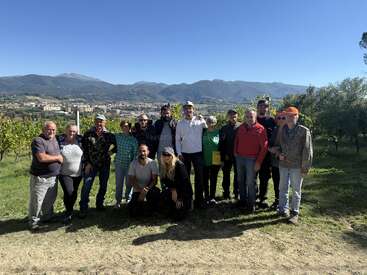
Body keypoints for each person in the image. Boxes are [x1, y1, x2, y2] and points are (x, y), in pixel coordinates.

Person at [277, 107, 313, 224]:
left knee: (296, 190)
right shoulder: (282, 129)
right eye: (288, 115)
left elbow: (307, 151)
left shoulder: (304, 131)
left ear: (297, 116)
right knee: (282, 188)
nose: (290, 118)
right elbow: (279, 145)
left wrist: (305, 167)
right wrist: (279, 154)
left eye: (293, 115)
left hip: (297, 166)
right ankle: (283, 209)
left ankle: (294, 213)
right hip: (283, 164)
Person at [79, 114, 116, 218]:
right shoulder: (88, 134)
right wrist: (87, 163)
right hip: (91, 164)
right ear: (94, 122)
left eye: (101, 121)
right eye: (97, 121)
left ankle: (99, 204)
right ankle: (83, 208)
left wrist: (111, 152)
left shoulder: (109, 135)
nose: (99, 123)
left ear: (105, 122)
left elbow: (117, 145)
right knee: (86, 185)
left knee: (103, 185)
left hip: (104, 164)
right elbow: (84, 150)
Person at [28, 121, 63, 230]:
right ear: (43, 129)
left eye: (53, 129)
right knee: (37, 200)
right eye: (49, 129)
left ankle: (48, 217)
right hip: (41, 177)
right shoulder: (38, 141)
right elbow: (41, 158)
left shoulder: (55, 139)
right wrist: (57, 158)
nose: (51, 131)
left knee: (49, 199)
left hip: (53, 176)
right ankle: (34, 221)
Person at [234, 108, 268, 212]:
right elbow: (237, 140)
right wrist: (235, 152)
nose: (249, 119)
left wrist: (258, 162)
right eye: (247, 117)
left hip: (252, 159)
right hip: (240, 158)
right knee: (240, 180)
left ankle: (251, 204)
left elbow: (264, 147)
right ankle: (242, 201)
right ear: (245, 117)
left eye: (251, 117)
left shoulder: (260, 129)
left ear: (255, 117)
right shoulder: (241, 128)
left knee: (250, 182)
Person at [175, 101, 207, 209]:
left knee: (199, 178)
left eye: (190, 108)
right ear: (183, 110)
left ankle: (199, 200)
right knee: (185, 178)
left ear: (193, 109)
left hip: (198, 153)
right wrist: (179, 153)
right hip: (185, 154)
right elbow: (177, 140)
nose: (188, 110)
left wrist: (203, 120)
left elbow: (208, 129)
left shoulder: (199, 121)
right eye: (186, 108)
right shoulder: (180, 123)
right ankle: (188, 199)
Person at [57, 124, 83, 224]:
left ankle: (70, 210)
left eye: (74, 131)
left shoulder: (80, 141)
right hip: (64, 173)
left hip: (78, 173)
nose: (72, 133)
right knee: (69, 192)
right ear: (66, 131)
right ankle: (68, 212)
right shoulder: (59, 141)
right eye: (70, 131)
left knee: (74, 192)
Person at [160, 147, 193, 220]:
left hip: (184, 193)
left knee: (178, 217)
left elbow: (185, 184)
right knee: (168, 212)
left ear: (172, 155)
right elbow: (164, 180)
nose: (166, 157)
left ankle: (188, 205)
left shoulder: (179, 165)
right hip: (174, 191)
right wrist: (173, 190)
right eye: (164, 155)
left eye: (168, 155)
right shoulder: (164, 165)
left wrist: (180, 198)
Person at [127, 144, 160, 217]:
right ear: (137, 152)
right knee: (133, 213)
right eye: (140, 151)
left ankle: (153, 209)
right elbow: (131, 179)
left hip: (149, 188)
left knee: (156, 192)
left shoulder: (152, 163)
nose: (142, 153)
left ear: (148, 152)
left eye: (144, 151)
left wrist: (146, 190)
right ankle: (140, 207)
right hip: (137, 189)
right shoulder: (133, 163)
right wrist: (140, 190)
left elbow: (155, 180)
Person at [256, 99, 276, 208]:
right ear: (257, 107)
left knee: (264, 177)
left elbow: (274, 136)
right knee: (252, 177)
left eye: (265, 106)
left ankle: (262, 199)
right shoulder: (253, 119)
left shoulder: (271, 120)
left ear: (268, 108)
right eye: (261, 106)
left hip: (267, 154)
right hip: (253, 154)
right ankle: (253, 197)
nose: (263, 108)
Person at [113, 120, 138, 208]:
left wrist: (133, 164)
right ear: (121, 127)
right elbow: (107, 135)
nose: (125, 128)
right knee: (119, 184)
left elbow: (135, 153)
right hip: (119, 164)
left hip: (129, 165)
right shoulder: (118, 137)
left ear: (130, 128)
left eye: (127, 126)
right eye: (123, 126)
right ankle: (118, 201)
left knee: (129, 184)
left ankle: (128, 199)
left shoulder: (133, 140)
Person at [219, 109, 241, 199]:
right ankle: (226, 193)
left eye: (235, 116)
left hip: (238, 156)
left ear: (237, 117)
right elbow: (221, 144)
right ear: (228, 117)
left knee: (237, 175)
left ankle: (236, 192)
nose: (233, 118)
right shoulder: (224, 128)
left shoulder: (241, 127)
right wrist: (222, 158)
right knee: (226, 175)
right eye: (231, 116)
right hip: (227, 156)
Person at [268, 111, 287, 209]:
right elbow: (270, 143)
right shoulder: (275, 129)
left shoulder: (289, 130)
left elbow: (289, 146)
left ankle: (283, 204)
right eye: (278, 118)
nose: (280, 120)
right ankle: (277, 201)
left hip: (285, 161)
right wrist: (270, 148)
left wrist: (278, 150)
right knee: (276, 182)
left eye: (283, 118)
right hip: (275, 161)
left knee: (283, 184)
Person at [202, 116, 221, 204]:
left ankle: (212, 197)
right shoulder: (203, 132)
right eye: (209, 122)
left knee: (213, 178)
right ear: (206, 122)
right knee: (205, 179)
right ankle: (206, 196)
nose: (211, 124)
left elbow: (222, 146)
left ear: (215, 123)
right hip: (204, 157)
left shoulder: (219, 132)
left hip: (216, 157)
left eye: (212, 122)